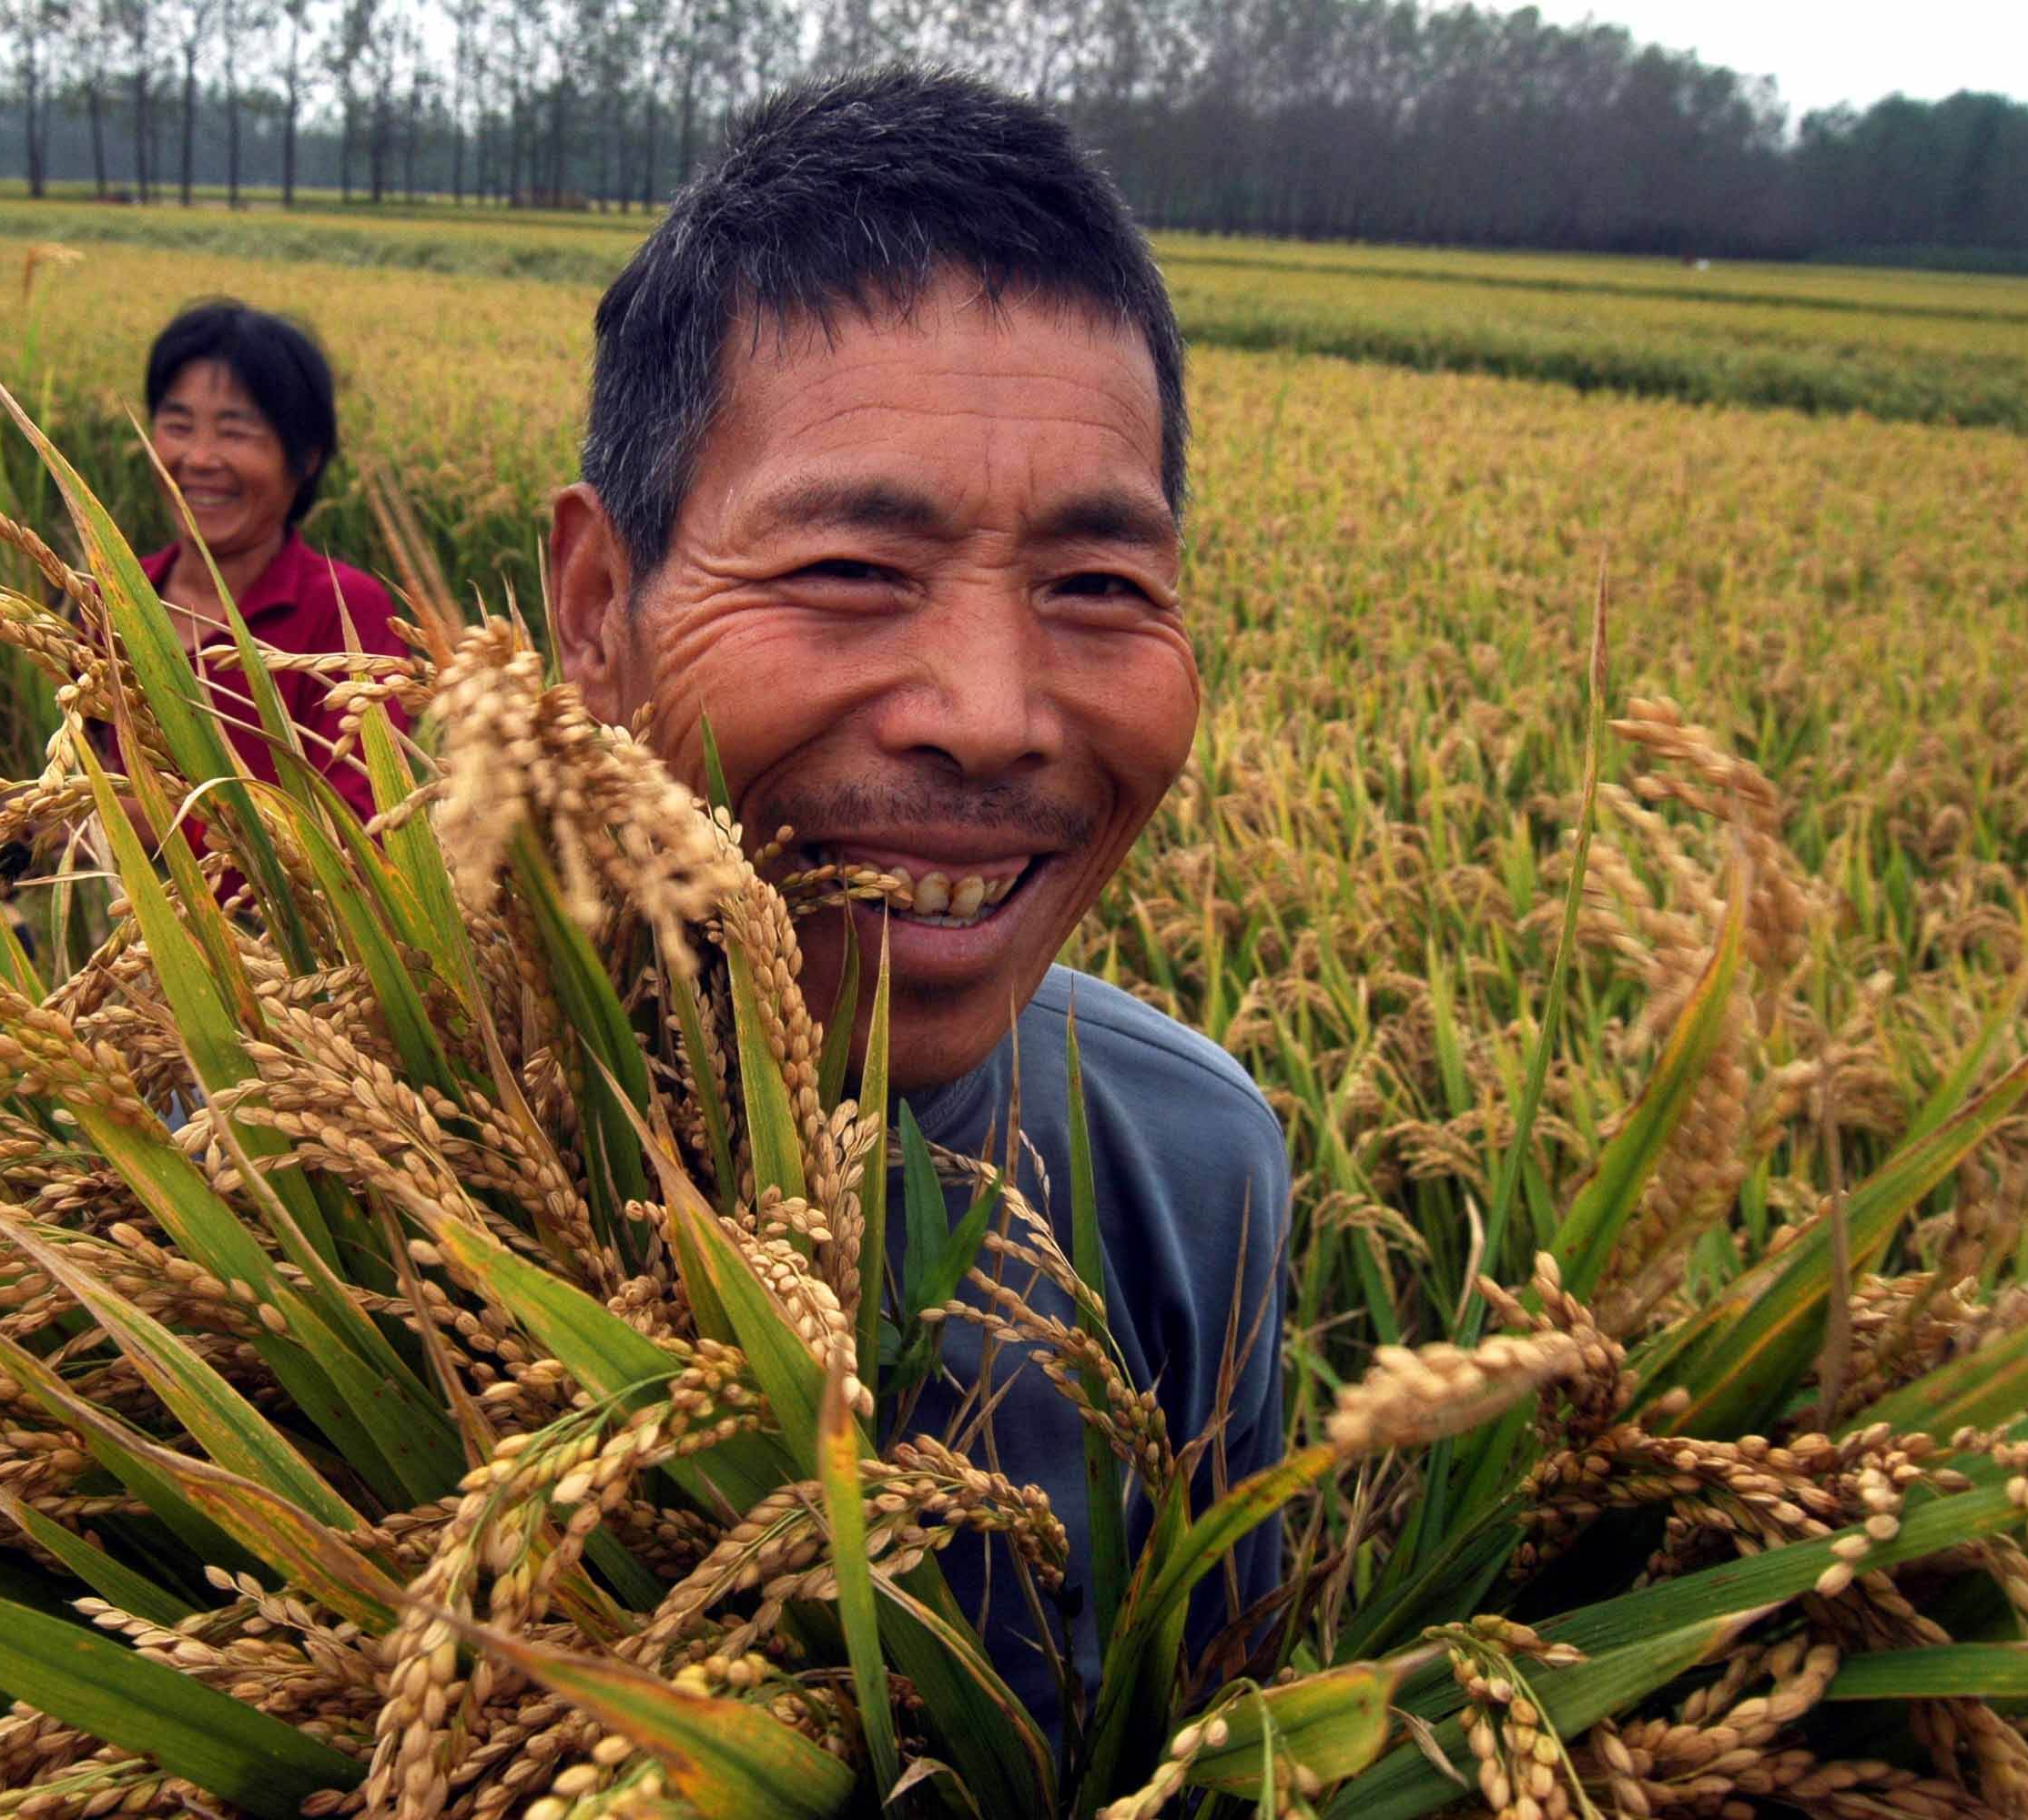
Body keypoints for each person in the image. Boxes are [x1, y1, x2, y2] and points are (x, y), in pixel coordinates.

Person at [544, 69, 1291, 1740]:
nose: (988, 711)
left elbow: (1231, 1730)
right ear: (599, 608)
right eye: (849, 574)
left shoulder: (1190, 1172)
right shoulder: (262, 1164)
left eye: (1097, 588)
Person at [133, 299, 410, 824]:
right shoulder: (113, 596)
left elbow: (368, 834)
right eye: (179, 424)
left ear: (305, 458)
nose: (198, 459)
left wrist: (145, 821)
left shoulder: (346, 616)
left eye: (235, 432)